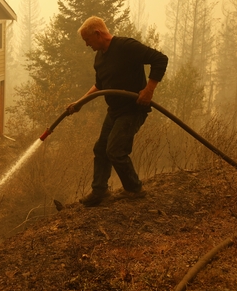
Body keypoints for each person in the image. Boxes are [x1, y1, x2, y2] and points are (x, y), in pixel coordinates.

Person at [66, 16, 168, 207]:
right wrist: (80, 102)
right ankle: (100, 191)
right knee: (101, 149)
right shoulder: (100, 57)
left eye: (87, 40)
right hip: (115, 110)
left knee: (115, 150)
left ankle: (135, 190)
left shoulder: (126, 46)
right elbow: (100, 85)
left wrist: (149, 90)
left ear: (97, 34)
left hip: (132, 109)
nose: (87, 45)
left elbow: (160, 59)